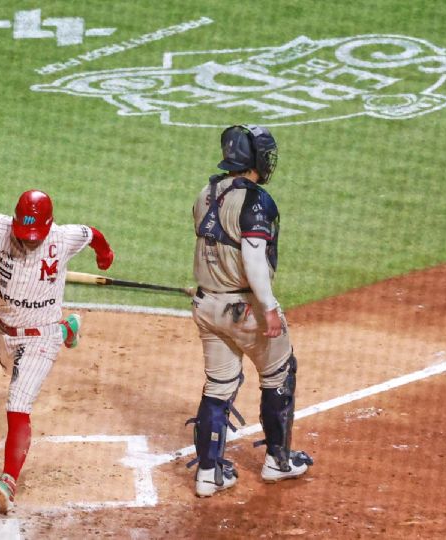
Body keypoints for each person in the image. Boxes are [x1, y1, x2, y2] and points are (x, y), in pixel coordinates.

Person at [0, 189, 114, 513]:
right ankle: (68, 329)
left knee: (18, 403)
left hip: (40, 340)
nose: (29, 241)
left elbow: (93, 234)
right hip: (5, 336)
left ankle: (8, 480)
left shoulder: (63, 238)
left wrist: (105, 255)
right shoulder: (0, 228)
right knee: (9, 370)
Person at [186, 125, 313, 497]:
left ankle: (209, 473)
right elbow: (253, 258)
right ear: (254, 159)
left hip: (207, 304)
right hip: (245, 309)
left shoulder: (205, 193)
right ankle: (279, 461)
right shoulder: (255, 200)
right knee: (279, 372)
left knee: (219, 384)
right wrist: (269, 308)